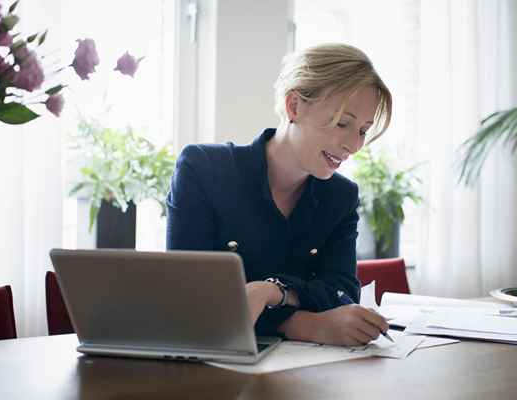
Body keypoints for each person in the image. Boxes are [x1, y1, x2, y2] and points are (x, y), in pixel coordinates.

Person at [166, 43, 392, 346]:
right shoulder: (203, 169)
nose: (354, 145)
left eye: (363, 130)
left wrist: (270, 291)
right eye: (343, 123)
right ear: (294, 106)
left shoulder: (341, 196)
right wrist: (302, 324)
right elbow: (189, 294)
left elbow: (341, 292)